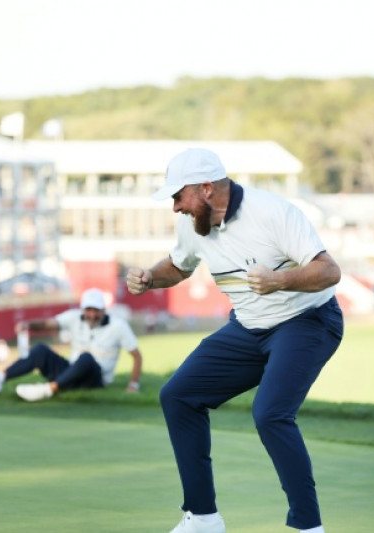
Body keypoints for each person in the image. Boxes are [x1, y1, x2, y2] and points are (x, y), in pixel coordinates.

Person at [126, 148, 343, 533]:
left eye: (179, 197)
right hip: (248, 328)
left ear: (207, 189)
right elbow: (178, 266)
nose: (175, 207)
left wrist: (280, 280)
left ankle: (309, 528)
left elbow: (329, 271)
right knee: (178, 395)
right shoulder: (195, 224)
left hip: (307, 322)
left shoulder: (273, 212)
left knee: (271, 414)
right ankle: (203, 518)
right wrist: (149, 278)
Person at [0, 288, 143, 402]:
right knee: (40, 350)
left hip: (95, 378)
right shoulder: (74, 317)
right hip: (70, 370)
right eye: (88, 310)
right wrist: (29, 325)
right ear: (83, 309)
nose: (91, 314)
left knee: (86, 358)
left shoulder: (118, 326)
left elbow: (136, 355)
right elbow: (48, 324)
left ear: (103, 310)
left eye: (96, 310)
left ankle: (49, 389)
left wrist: (132, 385)